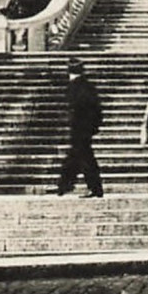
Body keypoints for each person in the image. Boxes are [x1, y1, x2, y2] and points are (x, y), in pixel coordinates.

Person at [56, 59, 104, 198]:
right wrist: (94, 126)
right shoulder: (88, 86)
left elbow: (74, 110)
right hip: (86, 128)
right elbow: (97, 109)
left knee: (84, 158)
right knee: (76, 156)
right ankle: (64, 185)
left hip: (79, 128)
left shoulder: (74, 86)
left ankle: (92, 187)